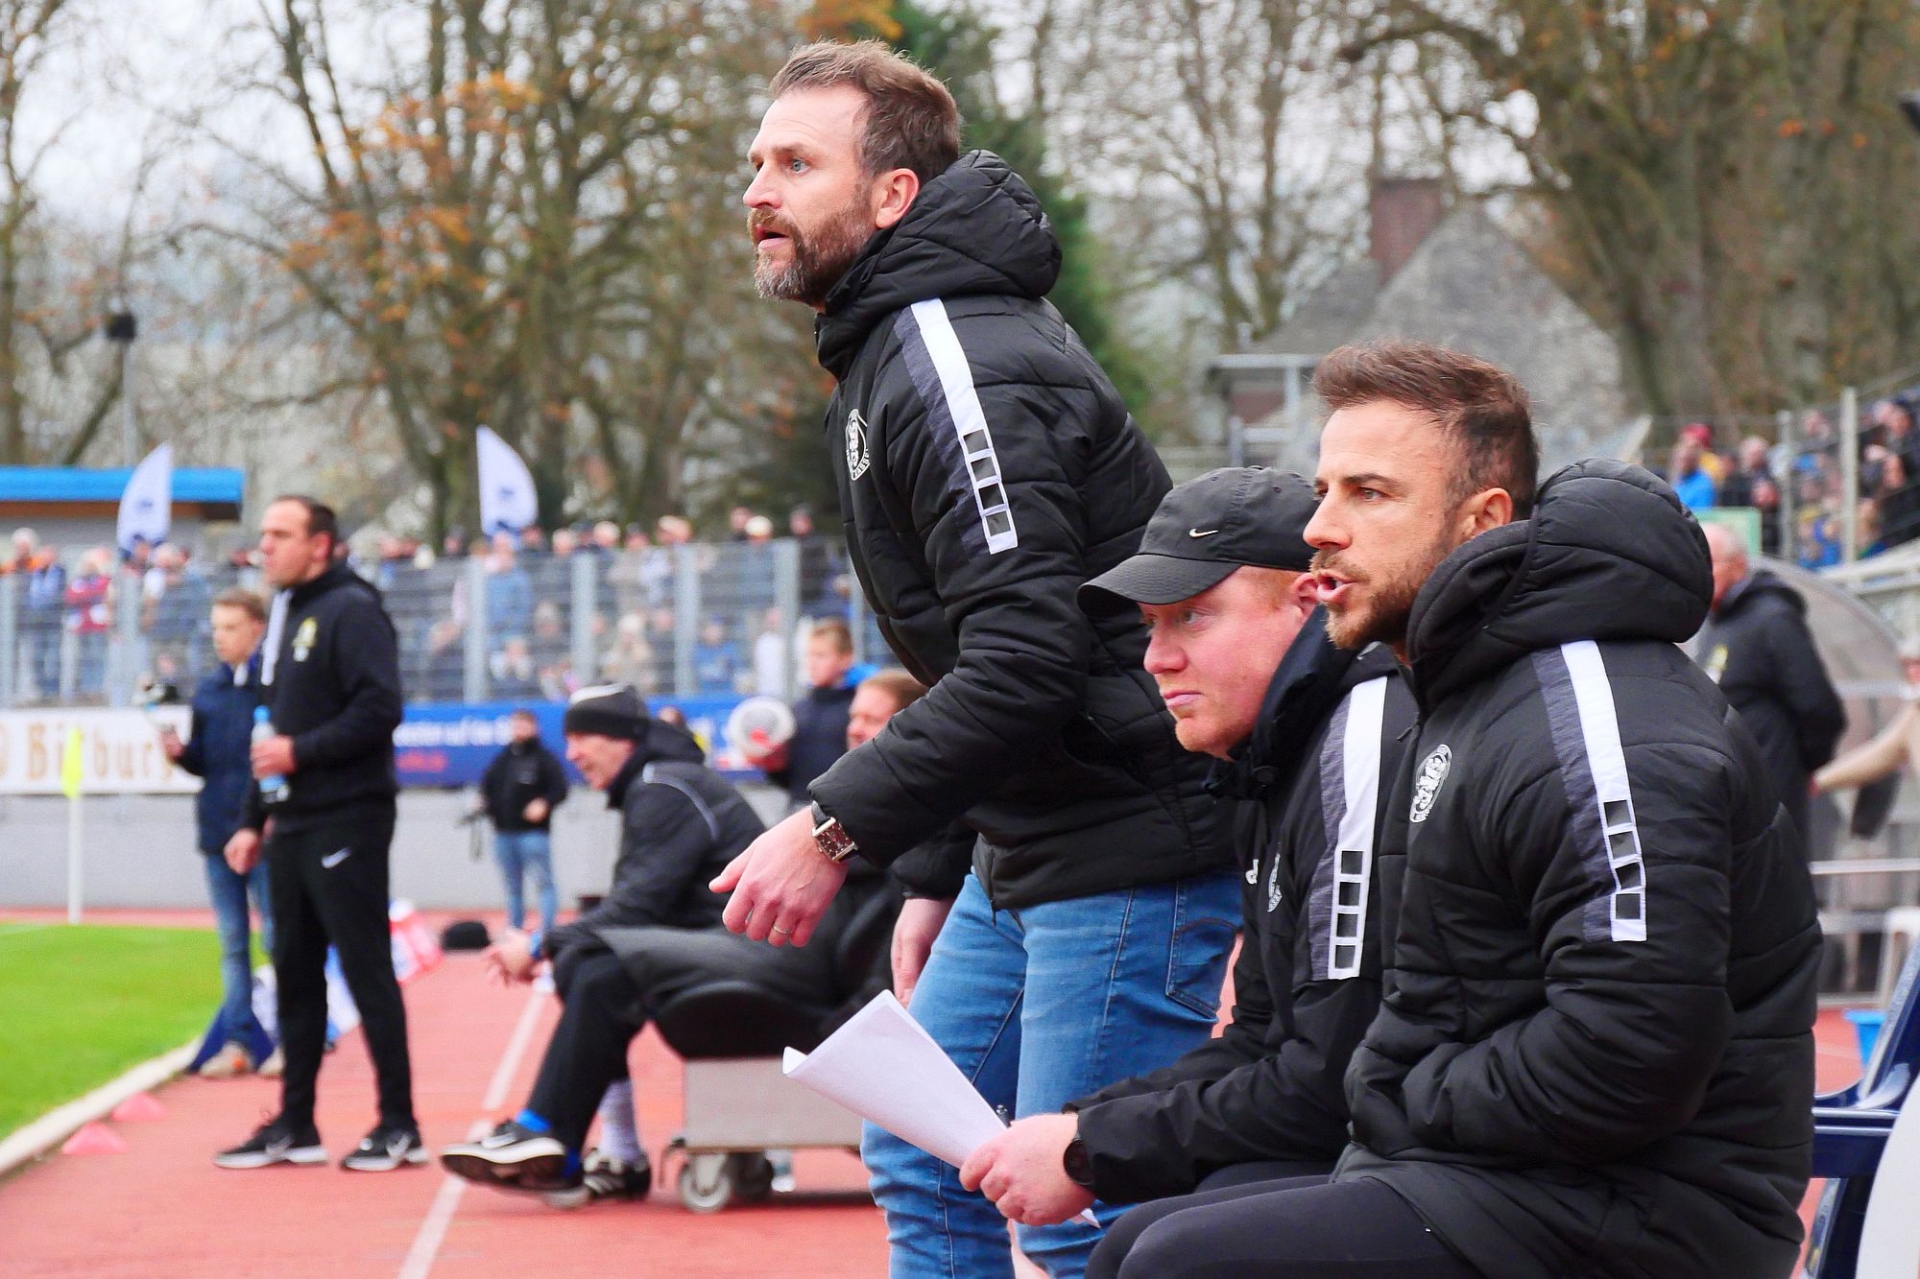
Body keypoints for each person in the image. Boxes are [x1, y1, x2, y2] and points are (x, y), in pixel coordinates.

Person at [1105, 341, 1821, 1279]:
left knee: (1177, 1265)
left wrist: (1397, 1088)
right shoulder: (1471, 690)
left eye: (1369, 493)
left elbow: (1628, 1052)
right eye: (1323, 491)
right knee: (1134, 1243)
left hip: (1642, 1213)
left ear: (1482, 521)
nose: (1320, 528)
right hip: (1500, 1176)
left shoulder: (1592, 711)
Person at [726, 42, 1236, 1277]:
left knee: (1080, 1210)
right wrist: (940, 865)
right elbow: (990, 650)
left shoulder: (953, 357)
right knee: (926, 1154)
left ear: (892, 195)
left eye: (796, 164)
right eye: (757, 163)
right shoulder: (893, 346)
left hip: (1129, 840)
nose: (758, 191)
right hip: (1035, 838)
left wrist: (832, 830)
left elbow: (1028, 657)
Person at [956, 469, 1416, 1278]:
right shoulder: (1269, 758)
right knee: (1140, 1237)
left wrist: (1088, 1145)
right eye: (1150, 625)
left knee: (1164, 1253)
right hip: (1404, 1137)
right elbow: (1265, 1037)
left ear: (1306, 602)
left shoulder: (1363, 739)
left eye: (1192, 616)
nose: (1157, 658)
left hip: (1509, 1170)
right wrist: (1080, 1124)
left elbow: (1332, 1078)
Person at [440, 684, 892, 1206]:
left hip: (772, 952)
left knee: (594, 954)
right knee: (597, 968)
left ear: (622, 740)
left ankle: (557, 1134)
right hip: (749, 947)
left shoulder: (664, 787)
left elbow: (633, 908)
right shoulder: (661, 783)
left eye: (583, 737)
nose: (572, 754)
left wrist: (540, 945)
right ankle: (604, 1151)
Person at [213, 495, 418, 1173]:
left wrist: (301, 753)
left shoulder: (352, 609)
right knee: (295, 974)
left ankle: (399, 1124)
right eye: (264, 533)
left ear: (320, 545)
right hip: (292, 822)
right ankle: (296, 1123)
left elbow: (381, 707)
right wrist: (252, 820)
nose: (265, 545)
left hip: (348, 815)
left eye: (281, 534)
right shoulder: (284, 612)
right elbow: (270, 733)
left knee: (364, 968)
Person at [161, 587, 275, 1079]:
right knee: (232, 944)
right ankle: (238, 1043)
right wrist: (180, 754)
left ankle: (295, 1039)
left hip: (267, 836)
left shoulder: (275, 687)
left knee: (279, 940)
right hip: (216, 833)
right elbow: (205, 762)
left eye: (230, 627)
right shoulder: (208, 689)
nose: (220, 638)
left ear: (257, 629)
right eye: (216, 628)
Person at [1693, 521, 1845, 843]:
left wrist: (1802, 766)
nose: (1701, 575)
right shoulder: (1716, 623)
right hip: (1731, 789)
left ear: (1738, 565)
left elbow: (1819, 706)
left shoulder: (1773, 619)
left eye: (1711, 563)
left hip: (1772, 793)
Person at [477, 708, 569, 937]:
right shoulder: (503, 759)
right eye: (515, 725)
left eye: (523, 725)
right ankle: (514, 931)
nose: (518, 730)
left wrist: (544, 803)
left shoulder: (544, 758)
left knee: (543, 883)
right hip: (503, 832)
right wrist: (483, 802)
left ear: (534, 727)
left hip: (533, 833)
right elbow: (487, 787)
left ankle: (548, 932)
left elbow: (560, 789)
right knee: (512, 887)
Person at [752, 618, 858, 811]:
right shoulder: (797, 711)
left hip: (846, 811)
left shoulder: (859, 710)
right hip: (799, 809)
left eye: (821, 656)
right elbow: (785, 778)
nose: (812, 663)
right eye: (809, 655)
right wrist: (772, 762)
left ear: (845, 659)